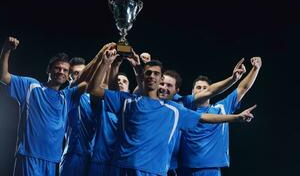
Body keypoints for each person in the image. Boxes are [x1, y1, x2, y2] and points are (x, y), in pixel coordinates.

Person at [86, 48, 255, 176]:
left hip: (156, 170)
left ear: (162, 79)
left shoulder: (175, 108)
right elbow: (94, 89)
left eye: (156, 75)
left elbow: (204, 115)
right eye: (149, 73)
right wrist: (105, 62)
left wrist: (236, 118)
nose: (153, 77)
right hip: (122, 167)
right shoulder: (127, 100)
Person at [0, 37, 86, 176]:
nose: (61, 72)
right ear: (49, 70)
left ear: (68, 75)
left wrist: (104, 59)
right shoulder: (31, 86)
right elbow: (3, 76)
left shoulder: (67, 96)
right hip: (29, 157)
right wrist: (6, 49)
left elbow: (89, 82)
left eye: (65, 70)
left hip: (52, 161)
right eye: (57, 68)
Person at [179, 57, 262, 176]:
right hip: (184, 168)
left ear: (213, 91)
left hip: (210, 169)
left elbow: (242, 88)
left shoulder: (221, 108)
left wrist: (255, 69)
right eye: (198, 88)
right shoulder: (184, 106)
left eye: (205, 88)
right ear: (192, 92)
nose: (202, 90)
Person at [59, 57, 97, 176]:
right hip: (72, 156)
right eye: (76, 73)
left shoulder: (93, 98)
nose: (81, 76)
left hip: (93, 157)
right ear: (69, 77)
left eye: (84, 73)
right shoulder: (66, 95)